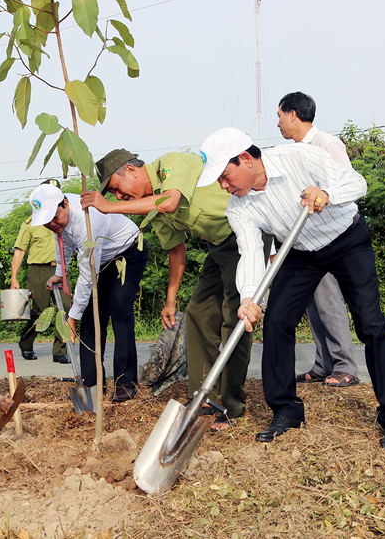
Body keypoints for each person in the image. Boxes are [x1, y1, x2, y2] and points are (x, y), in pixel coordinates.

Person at [197, 127, 385, 449]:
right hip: (298, 252)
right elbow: (251, 253)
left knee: (371, 323)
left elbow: (356, 182)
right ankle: (286, 412)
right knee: (278, 322)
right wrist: (249, 298)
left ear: (245, 159)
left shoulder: (299, 156)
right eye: (219, 182)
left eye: (226, 176)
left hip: (346, 239)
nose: (224, 186)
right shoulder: (238, 208)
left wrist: (328, 194)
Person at [84, 149, 266, 430]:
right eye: (113, 195)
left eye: (116, 189)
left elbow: (170, 201)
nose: (118, 197)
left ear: (131, 171)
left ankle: (231, 407)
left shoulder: (170, 164)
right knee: (197, 316)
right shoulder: (153, 210)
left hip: (245, 236)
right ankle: (205, 397)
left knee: (235, 319)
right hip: (218, 247)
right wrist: (170, 301)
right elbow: (176, 250)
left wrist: (108, 207)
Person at [28, 184, 148, 402]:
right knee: (92, 317)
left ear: (65, 204)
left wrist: (72, 317)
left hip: (128, 252)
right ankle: (92, 384)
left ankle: (125, 383)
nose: (53, 224)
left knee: (119, 309)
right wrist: (59, 272)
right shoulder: (59, 222)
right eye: (47, 222)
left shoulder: (87, 221)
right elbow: (61, 241)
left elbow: (86, 276)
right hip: (101, 260)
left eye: (55, 217)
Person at [276, 92, 359, 388]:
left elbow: (347, 185)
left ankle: (345, 365)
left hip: (332, 237)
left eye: (280, 116)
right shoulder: (295, 152)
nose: (278, 123)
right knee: (312, 304)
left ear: (294, 114)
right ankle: (324, 364)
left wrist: (325, 197)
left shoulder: (327, 144)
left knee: (328, 301)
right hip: (305, 241)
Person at [10, 179, 70, 364]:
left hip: (61, 270)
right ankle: (26, 343)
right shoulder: (30, 223)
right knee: (39, 311)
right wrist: (14, 278)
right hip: (38, 271)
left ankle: (59, 351)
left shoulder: (65, 216)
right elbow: (20, 251)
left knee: (65, 310)